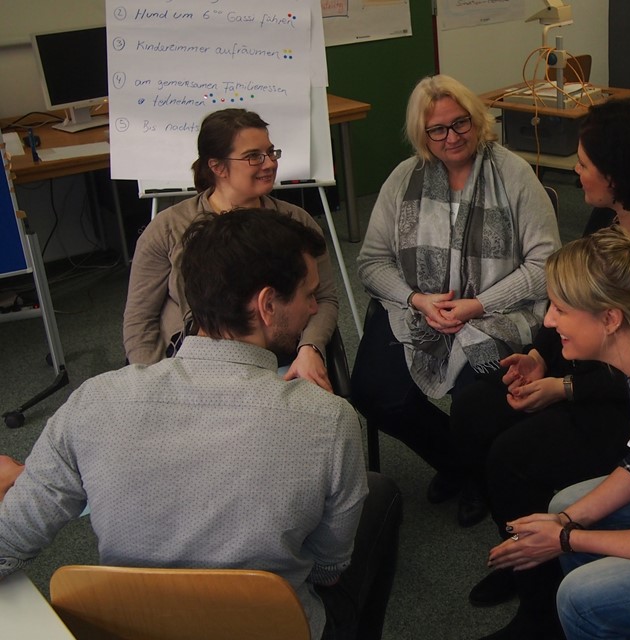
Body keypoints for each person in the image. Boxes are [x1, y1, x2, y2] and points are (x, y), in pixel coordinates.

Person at [0, 210, 402, 640]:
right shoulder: (329, 419)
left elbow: (7, 544)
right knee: (381, 494)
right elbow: (327, 570)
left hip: (128, 626)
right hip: (269, 627)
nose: (313, 307)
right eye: (308, 294)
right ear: (267, 305)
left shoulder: (93, 401)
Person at [454, 98, 630, 617]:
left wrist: (565, 389)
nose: (575, 173)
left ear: (617, 174)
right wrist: (540, 356)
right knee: (475, 409)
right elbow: (572, 300)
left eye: (582, 164)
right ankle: (527, 554)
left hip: (614, 395)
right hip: (596, 370)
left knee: (513, 459)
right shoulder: (608, 216)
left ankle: (538, 591)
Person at [484, 227, 630, 639]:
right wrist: (566, 521)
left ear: (610, 318)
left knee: (578, 596)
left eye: (560, 309)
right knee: (564, 504)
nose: (548, 321)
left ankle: (593, 617)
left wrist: (567, 538)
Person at [351, 74, 560, 487]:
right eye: (438, 129)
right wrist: (417, 300)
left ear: (476, 119)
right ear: (422, 135)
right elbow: (372, 262)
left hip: (495, 314)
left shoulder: (513, 174)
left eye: (460, 123)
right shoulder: (403, 179)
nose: (452, 137)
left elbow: (546, 264)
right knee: (374, 393)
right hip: (420, 312)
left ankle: (473, 473)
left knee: (475, 404)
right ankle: (462, 467)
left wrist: (477, 305)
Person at [122, 108, 339, 392]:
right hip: (190, 370)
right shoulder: (167, 229)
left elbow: (323, 298)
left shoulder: (296, 222)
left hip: (281, 364)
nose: (269, 164)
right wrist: (155, 383)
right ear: (217, 167)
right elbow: (140, 320)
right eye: (254, 156)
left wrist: (310, 348)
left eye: (271, 152)